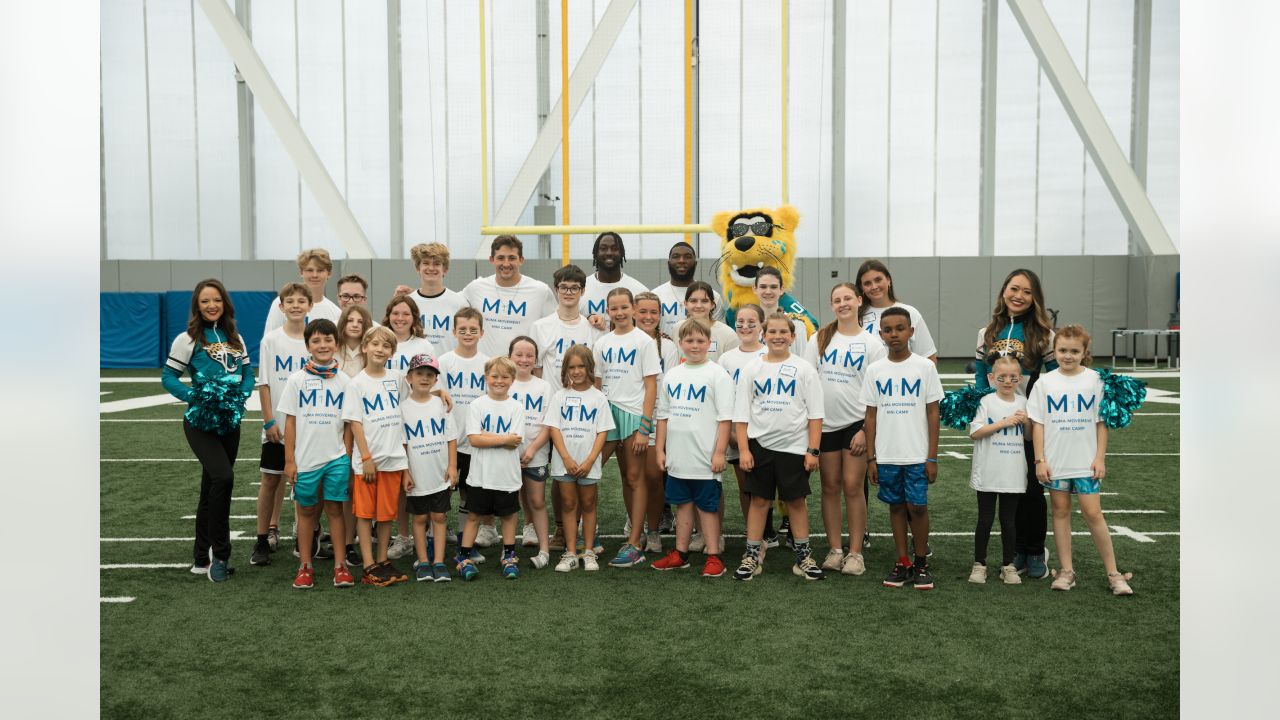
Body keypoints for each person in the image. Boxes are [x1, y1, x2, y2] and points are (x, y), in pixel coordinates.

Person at [1029, 325, 1134, 596]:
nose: (1067, 356)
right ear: (1055, 350)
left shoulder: (1095, 380)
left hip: (1085, 462)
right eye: (1062, 350)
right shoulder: (1045, 382)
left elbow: (1102, 423)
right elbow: (1038, 424)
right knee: (1060, 512)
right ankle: (1066, 571)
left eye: (1074, 351)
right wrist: (1040, 460)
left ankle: (1114, 573)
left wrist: (1100, 458)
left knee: (1093, 513)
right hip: (1056, 462)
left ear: (1085, 352)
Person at [162, 279, 255, 582]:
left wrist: (241, 395)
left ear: (225, 303)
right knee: (224, 478)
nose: (211, 305)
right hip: (200, 422)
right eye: (205, 301)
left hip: (230, 422)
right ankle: (222, 555)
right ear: (197, 306)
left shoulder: (235, 337)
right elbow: (169, 377)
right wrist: (194, 396)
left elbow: (247, 374)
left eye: (216, 300)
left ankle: (201, 556)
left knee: (210, 488)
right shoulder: (187, 340)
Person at [974, 268, 1056, 579]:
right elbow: (982, 377)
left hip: (1029, 423)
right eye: (1014, 288)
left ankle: (1033, 550)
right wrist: (985, 408)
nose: (1018, 296)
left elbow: (1055, 378)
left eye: (1026, 291)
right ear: (1004, 291)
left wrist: (1040, 414)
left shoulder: (1044, 335)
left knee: (1031, 490)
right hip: (997, 424)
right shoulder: (987, 333)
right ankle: (1016, 550)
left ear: (1035, 298)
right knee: (1005, 487)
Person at [732, 312, 825, 581]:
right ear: (764, 335)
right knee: (759, 501)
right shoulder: (752, 368)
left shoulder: (804, 369)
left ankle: (803, 556)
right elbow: (742, 414)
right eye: (772, 332)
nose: (777, 336)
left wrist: (813, 450)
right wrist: (745, 449)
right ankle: (751, 556)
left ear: (793, 336)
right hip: (760, 446)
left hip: (795, 447)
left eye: (783, 332)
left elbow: (815, 414)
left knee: (796, 502)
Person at [802, 282, 887, 577]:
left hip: (855, 425)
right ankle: (835, 549)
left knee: (853, 487)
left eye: (847, 298)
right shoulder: (820, 338)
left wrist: (866, 429)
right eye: (837, 299)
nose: (843, 304)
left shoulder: (872, 344)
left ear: (859, 301)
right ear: (832, 304)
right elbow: (807, 381)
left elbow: (877, 393)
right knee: (829, 486)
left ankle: (855, 553)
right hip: (824, 425)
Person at [862, 307, 943, 590]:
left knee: (917, 506)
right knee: (896, 506)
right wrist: (871, 458)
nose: (894, 334)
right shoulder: (875, 370)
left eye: (900, 328)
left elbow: (933, 412)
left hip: (917, 454)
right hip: (886, 454)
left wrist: (931, 456)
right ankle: (903, 562)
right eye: (888, 330)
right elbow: (870, 416)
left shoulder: (925, 367)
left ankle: (921, 563)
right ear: (881, 334)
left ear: (911, 332)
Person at [652, 320, 734, 578]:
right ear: (680, 344)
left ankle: (713, 556)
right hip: (678, 456)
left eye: (700, 341)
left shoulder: (717, 374)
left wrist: (719, 452)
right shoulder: (673, 374)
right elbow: (663, 416)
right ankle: (681, 553)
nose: (695, 346)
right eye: (689, 341)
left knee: (707, 507)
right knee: (682, 505)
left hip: (705, 459)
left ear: (709, 344)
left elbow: (725, 418)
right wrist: (660, 450)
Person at [277, 319, 354, 590]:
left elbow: (348, 422)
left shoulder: (345, 381)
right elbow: (290, 422)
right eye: (316, 341)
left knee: (335, 509)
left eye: (328, 340)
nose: (323, 345)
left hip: (336, 459)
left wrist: (345, 453)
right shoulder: (297, 380)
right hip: (306, 460)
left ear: (337, 343)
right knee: (306, 512)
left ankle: (340, 566)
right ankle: (305, 565)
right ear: (308, 345)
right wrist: (289, 460)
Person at [531, 264, 601, 550]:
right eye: (563, 287)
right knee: (559, 476)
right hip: (552, 412)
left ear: (583, 291)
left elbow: (596, 373)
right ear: (556, 290)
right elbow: (535, 371)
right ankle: (560, 528)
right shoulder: (541, 326)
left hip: (583, 415)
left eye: (574, 288)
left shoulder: (593, 327)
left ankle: (585, 532)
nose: (569, 292)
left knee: (585, 475)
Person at [593, 288, 661, 568]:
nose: (619, 313)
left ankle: (635, 542)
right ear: (607, 311)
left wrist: (645, 428)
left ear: (633, 308)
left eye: (624, 307)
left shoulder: (643, 342)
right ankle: (587, 536)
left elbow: (651, 385)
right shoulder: (602, 343)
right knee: (594, 470)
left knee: (635, 478)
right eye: (613, 308)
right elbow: (596, 385)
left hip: (634, 416)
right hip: (607, 414)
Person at [342, 326, 410, 587]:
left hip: (393, 458)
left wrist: (439, 392)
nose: (380, 349)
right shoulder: (356, 383)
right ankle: (369, 564)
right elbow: (355, 423)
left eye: (386, 346)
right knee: (365, 514)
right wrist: (366, 457)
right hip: (369, 461)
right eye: (375, 344)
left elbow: (411, 402)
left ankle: (382, 559)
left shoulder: (397, 378)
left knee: (386, 514)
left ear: (392, 352)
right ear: (364, 347)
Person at [250, 283, 312, 567]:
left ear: (310, 306)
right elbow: (263, 384)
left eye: (302, 301)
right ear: (281, 306)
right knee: (270, 479)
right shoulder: (271, 341)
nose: (296, 305)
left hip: (309, 427)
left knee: (303, 482)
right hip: (278, 426)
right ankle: (262, 538)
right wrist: (269, 421)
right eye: (291, 301)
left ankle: (304, 537)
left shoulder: (318, 339)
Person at [456, 356, 527, 581]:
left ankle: (509, 555)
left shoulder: (516, 406)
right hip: (480, 476)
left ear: (512, 379)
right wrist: (502, 439)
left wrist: (486, 435)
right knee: (474, 515)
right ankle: (463, 556)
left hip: (507, 476)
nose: (499, 380)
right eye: (494, 376)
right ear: (486, 378)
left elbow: (514, 441)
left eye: (505, 376)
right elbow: (474, 440)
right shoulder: (477, 405)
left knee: (508, 516)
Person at [545, 345, 615, 572]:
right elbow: (554, 428)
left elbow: (602, 431)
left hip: (588, 463)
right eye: (571, 367)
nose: (576, 371)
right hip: (564, 462)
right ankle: (571, 552)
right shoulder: (560, 397)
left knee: (588, 505)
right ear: (565, 369)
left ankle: (589, 551)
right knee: (568, 504)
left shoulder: (599, 398)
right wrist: (566, 458)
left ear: (589, 368)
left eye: (581, 366)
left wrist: (589, 460)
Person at [716, 304, 775, 552]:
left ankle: (766, 532)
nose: (745, 326)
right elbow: (723, 398)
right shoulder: (726, 359)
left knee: (765, 487)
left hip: (763, 433)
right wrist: (729, 432)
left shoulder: (769, 355)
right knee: (745, 488)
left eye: (752, 321)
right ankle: (754, 537)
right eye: (740, 321)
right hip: (735, 433)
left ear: (762, 325)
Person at [967, 353, 1031, 585]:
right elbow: (975, 432)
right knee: (985, 519)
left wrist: (1027, 423)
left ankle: (1008, 565)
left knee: (1009, 521)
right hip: (988, 470)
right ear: (992, 378)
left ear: (1020, 379)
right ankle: (979, 564)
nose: (1007, 381)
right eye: (1002, 377)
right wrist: (1004, 422)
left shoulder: (1024, 403)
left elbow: (1030, 437)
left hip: (1012, 472)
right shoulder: (987, 402)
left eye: (1013, 377)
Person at [437, 308, 493, 559]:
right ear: (453, 332)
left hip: (474, 443)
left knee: (469, 497)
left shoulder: (488, 363)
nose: (468, 334)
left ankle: (464, 545)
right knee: (439, 494)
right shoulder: (444, 361)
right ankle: (432, 544)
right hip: (446, 441)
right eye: (462, 330)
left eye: (473, 330)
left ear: (481, 332)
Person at [401, 353, 459, 583]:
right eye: (419, 374)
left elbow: (451, 438)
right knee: (419, 518)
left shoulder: (441, 405)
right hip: (417, 475)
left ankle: (439, 562)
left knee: (439, 517)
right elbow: (402, 444)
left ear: (435, 380)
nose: (424, 378)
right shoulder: (403, 408)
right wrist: (405, 472)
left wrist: (453, 466)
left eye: (429, 375)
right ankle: (423, 562)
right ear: (409, 378)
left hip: (439, 474)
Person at [634, 291, 682, 552]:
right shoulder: (625, 340)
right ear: (633, 311)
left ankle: (653, 532)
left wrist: (661, 421)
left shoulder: (669, 347)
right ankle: (635, 527)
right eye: (643, 311)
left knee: (653, 477)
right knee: (632, 478)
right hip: (629, 416)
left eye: (654, 312)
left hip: (656, 419)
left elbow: (669, 386)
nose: (648, 317)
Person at [463, 235, 556, 358]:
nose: (506, 264)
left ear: (521, 260)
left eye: (512, 258)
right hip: (485, 370)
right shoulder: (476, 288)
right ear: (492, 260)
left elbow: (555, 326)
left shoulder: (540, 291)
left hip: (522, 370)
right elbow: (449, 304)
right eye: (501, 258)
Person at [508, 336, 553, 568]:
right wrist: (510, 449)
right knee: (511, 504)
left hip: (536, 455)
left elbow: (548, 425)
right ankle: (509, 550)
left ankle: (544, 549)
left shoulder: (544, 386)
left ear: (536, 359)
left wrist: (533, 449)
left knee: (536, 500)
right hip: (507, 456)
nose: (524, 360)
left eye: (529, 355)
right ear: (509, 357)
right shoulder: (504, 384)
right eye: (519, 354)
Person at [854, 259, 937, 362]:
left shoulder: (910, 313)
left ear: (888, 280)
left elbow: (929, 358)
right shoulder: (855, 316)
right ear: (861, 288)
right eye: (867, 283)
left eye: (878, 280)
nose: (874, 287)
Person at [404, 242, 470, 354]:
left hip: (448, 369)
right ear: (417, 268)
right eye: (426, 263)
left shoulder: (459, 303)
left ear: (445, 269)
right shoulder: (408, 302)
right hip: (415, 370)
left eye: (437, 264)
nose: (431, 268)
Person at [652, 241, 724, 339]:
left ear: (695, 263)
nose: (681, 260)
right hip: (665, 353)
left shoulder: (712, 296)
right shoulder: (655, 296)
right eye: (676, 256)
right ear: (668, 263)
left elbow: (720, 334)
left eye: (687, 256)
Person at [263, 248, 342, 336]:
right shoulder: (283, 303)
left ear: (329, 273)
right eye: (309, 270)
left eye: (320, 270)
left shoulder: (336, 313)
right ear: (301, 272)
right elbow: (269, 341)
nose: (315, 275)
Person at [582, 232, 648, 331]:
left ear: (622, 253)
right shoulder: (580, 289)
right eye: (603, 248)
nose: (609, 253)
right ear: (596, 253)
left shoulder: (639, 291)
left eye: (614, 249)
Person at [752, 267, 809, 357]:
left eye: (773, 287)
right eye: (763, 287)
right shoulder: (748, 326)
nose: (768, 291)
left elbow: (804, 361)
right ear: (755, 289)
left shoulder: (797, 325)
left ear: (781, 289)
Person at [381, 294, 439, 380]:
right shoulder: (378, 344)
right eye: (395, 313)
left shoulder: (424, 346)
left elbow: (432, 381)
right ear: (389, 316)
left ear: (414, 317)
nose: (400, 318)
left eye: (406, 314)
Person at [679, 281, 738, 364]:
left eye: (704, 301)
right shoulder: (677, 328)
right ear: (685, 304)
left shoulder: (728, 334)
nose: (699, 306)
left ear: (713, 304)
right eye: (693, 301)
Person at [335, 304, 374, 378]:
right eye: (350, 320)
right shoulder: (333, 349)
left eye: (360, 322)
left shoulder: (372, 351)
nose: (355, 325)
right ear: (342, 323)